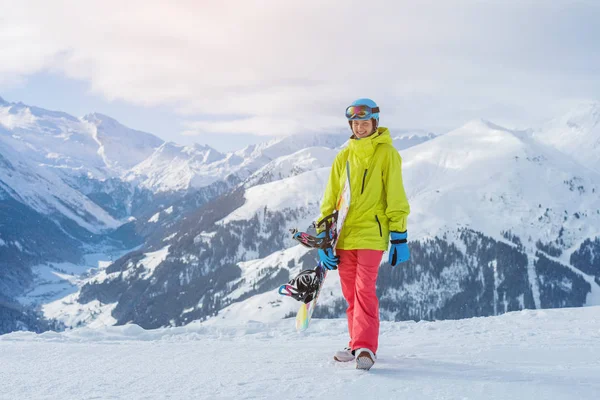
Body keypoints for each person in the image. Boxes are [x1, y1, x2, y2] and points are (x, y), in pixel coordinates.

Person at [316, 98, 410, 370]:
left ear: (375, 123)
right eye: (355, 123)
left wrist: (399, 236)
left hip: (372, 233)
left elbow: (395, 195)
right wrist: (324, 238)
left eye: (365, 122)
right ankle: (356, 341)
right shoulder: (343, 156)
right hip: (344, 236)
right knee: (350, 293)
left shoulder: (387, 154)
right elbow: (330, 200)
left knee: (364, 289)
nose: (360, 127)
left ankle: (366, 347)